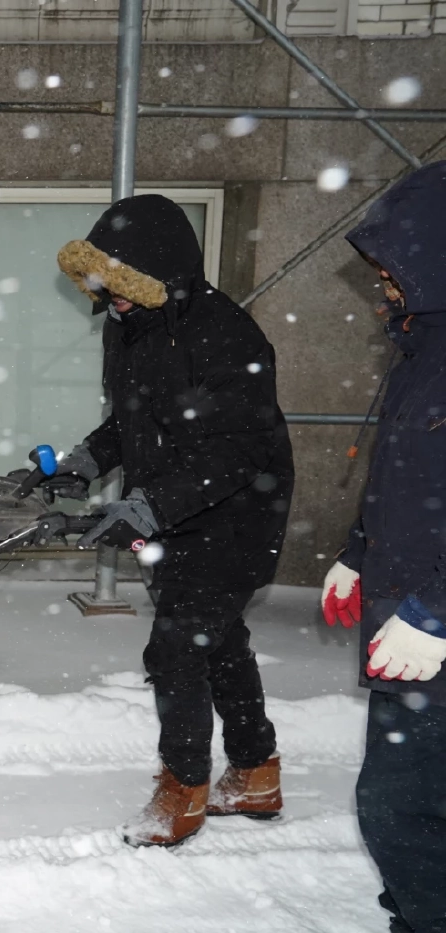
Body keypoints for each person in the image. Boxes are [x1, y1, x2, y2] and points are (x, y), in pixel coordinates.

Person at [46, 193, 296, 847]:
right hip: (166, 510)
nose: (108, 298)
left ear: (158, 272)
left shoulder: (226, 333)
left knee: (178, 647)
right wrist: (82, 463)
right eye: (101, 285)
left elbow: (238, 449)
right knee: (221, 642)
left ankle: (182, 791)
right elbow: (133, 422)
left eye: (119, 284)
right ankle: (256, 770)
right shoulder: (129, 327)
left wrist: (151, 505)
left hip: (234, 512)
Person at [320, 161, 446, 933]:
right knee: (411, 809)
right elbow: (404, 475)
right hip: (406, 613)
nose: (384, 285)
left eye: (393, 268)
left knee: (397, 807)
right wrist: (359, 550)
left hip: (430, 623)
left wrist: (438, 612)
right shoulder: (421, 351)